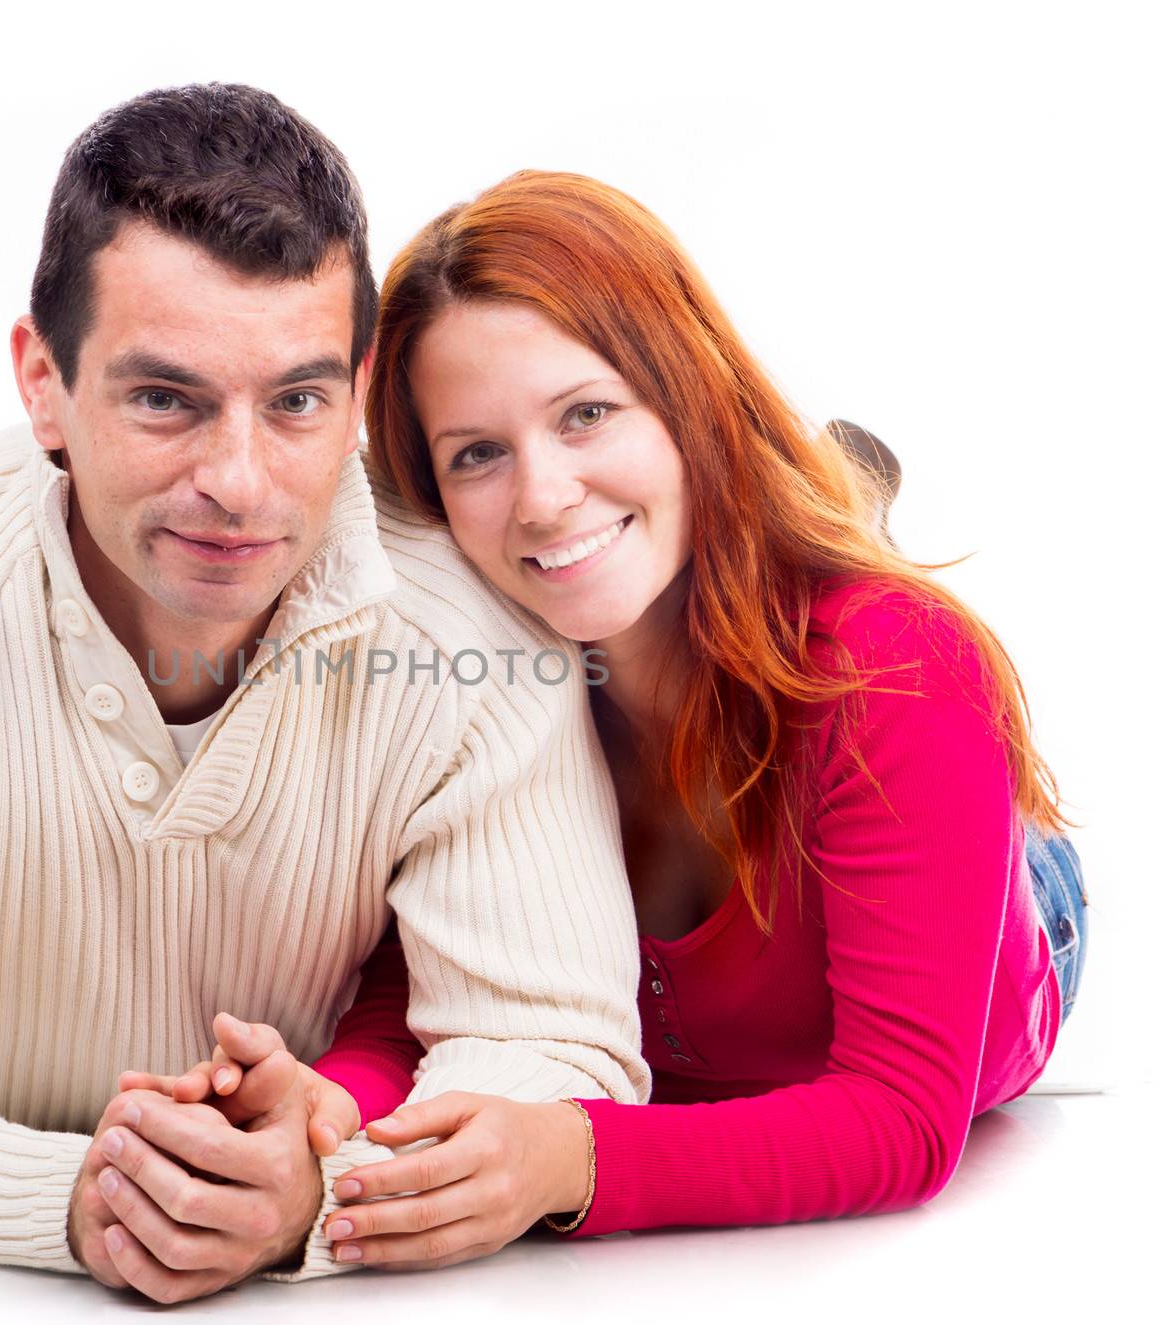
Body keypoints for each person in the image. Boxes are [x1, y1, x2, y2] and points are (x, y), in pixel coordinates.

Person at [0, 97, 651, 1305]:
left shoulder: (475, 624)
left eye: (297, 402)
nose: (238, 484)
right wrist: (84, 1200)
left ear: (357, 391)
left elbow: (558, 1045)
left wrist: (323, 1178)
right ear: (44, 381)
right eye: (164, 400)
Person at [152, 169, 1089, 1272]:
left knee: (894, 701)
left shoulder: (900, 667)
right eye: (477, 454)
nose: (543, 497)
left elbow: (899, 1122)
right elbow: (429, 978)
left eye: (585, 413)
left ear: (687, 392)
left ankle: (832, 503)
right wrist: (331, 1110)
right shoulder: (471, 678)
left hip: (1014, 924)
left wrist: (571, 1159)